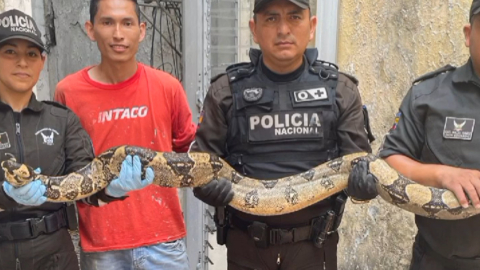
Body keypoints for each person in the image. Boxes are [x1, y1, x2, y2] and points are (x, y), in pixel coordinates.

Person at [191, 0, 375, 269]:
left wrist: (364, 187)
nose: (283, 29)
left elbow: (358, 167)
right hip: (246, 248)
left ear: (311, 27)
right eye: (271, 19)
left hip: (314, 249)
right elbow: (199, 168)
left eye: (294, 17)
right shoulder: (225, 93)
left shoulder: (341, 92)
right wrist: (205, 188)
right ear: (254, 29)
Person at [54, 0, 196, 269]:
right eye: (107, 22)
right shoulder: (68, 92)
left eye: (127, 23)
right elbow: (69, 167)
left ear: (141, 30)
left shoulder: (167, 87)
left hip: (163, 241)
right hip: (102, 244)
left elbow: (189, 150)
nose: (118, 33)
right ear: (90, 29)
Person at [370, 1, 480, 269]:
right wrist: (443, 174)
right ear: (468, 34)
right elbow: (389, 161)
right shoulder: (428, 96)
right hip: (438, 261)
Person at [0, 9, 92, 270]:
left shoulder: (62, 120)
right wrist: (5, 195)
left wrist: (112, 187)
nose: (22, 62)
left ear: (42, 62)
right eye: (10, 52)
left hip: (56, 257)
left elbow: (87, 178)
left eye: (31, 54)